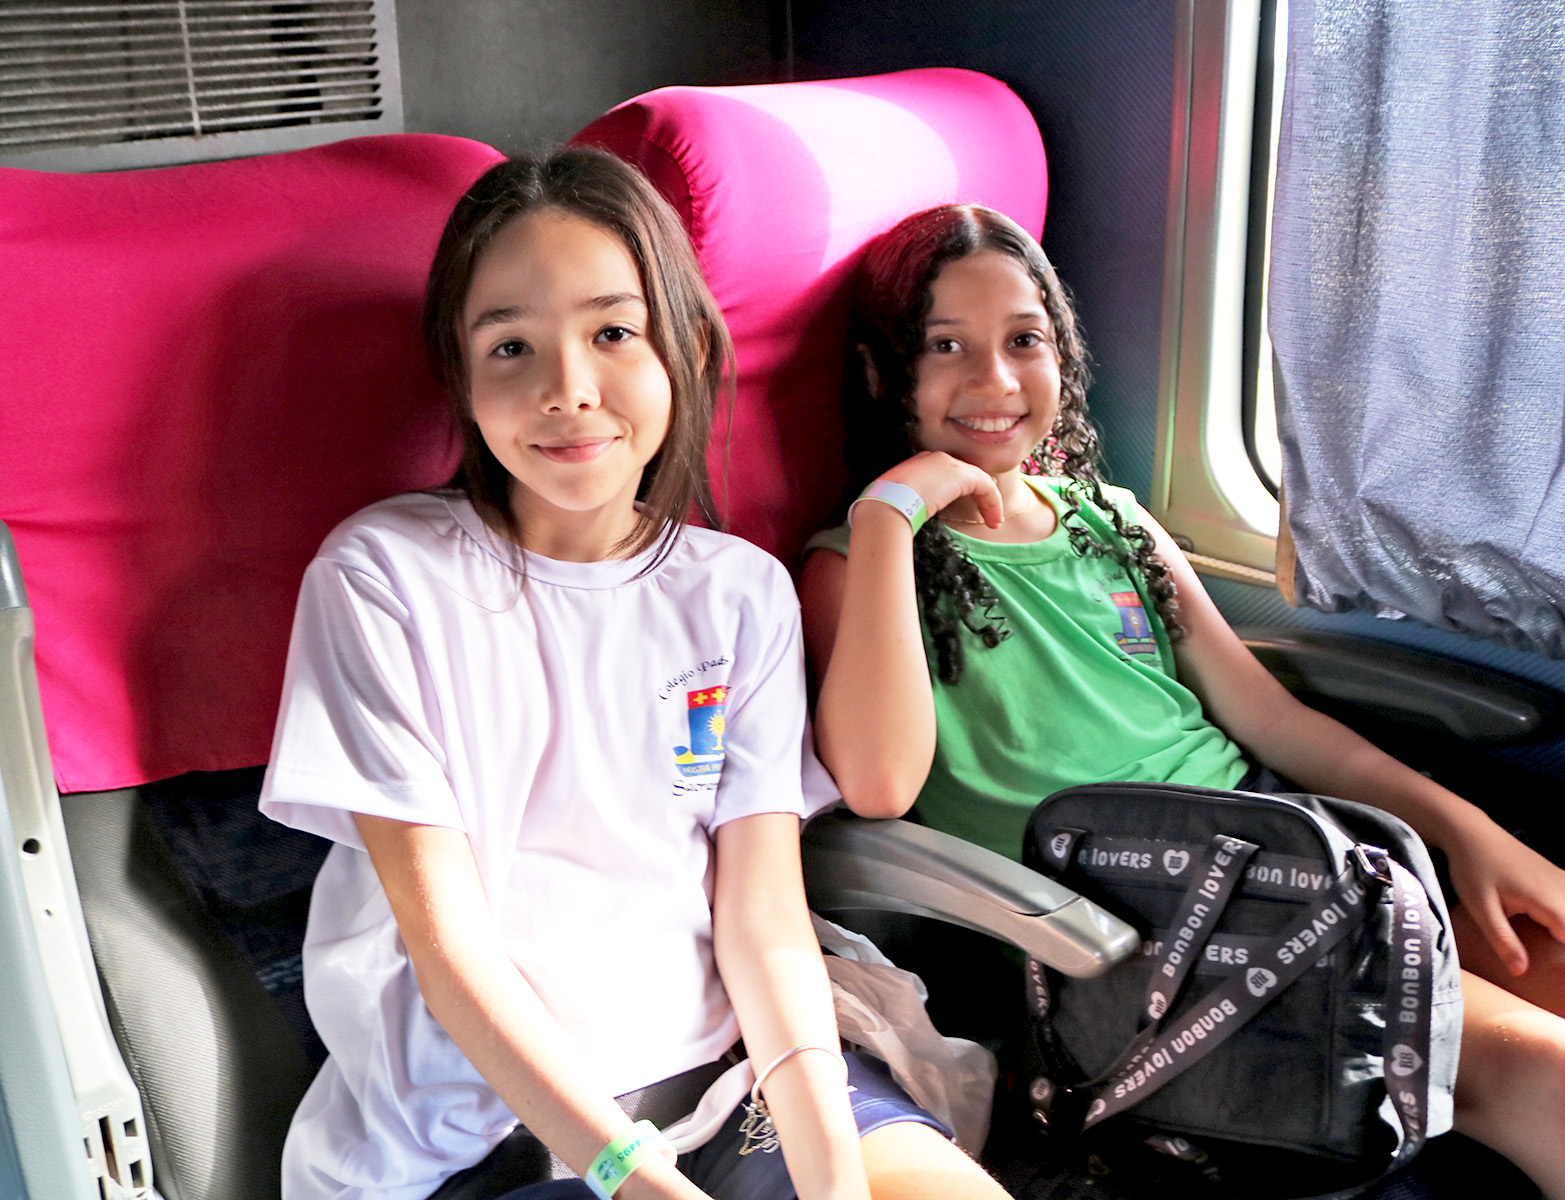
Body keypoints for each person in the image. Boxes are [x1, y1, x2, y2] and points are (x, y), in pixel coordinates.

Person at [259, 151, 1009, 1200]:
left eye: (613, 333)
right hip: (488, 1134)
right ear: (463, 380)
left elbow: (762, 917)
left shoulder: (738, 592)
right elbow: (449, 951)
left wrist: (831, 1173)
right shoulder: (382, 581)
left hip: (730, 1081)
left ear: (687, 350)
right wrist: (633, 1175)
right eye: (511, 347)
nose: (567, 388)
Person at [799, 204, 1565, 1199]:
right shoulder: (859, 567)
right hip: (1141, 922)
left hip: (1288, 855)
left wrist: (1469, 835)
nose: (994, 381)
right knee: (1554, 1077)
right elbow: (878, 783)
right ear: (880, 374)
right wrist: (889, 511)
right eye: (944, 346)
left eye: (1023, 341)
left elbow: (1273, 722)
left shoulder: (1111, 523)